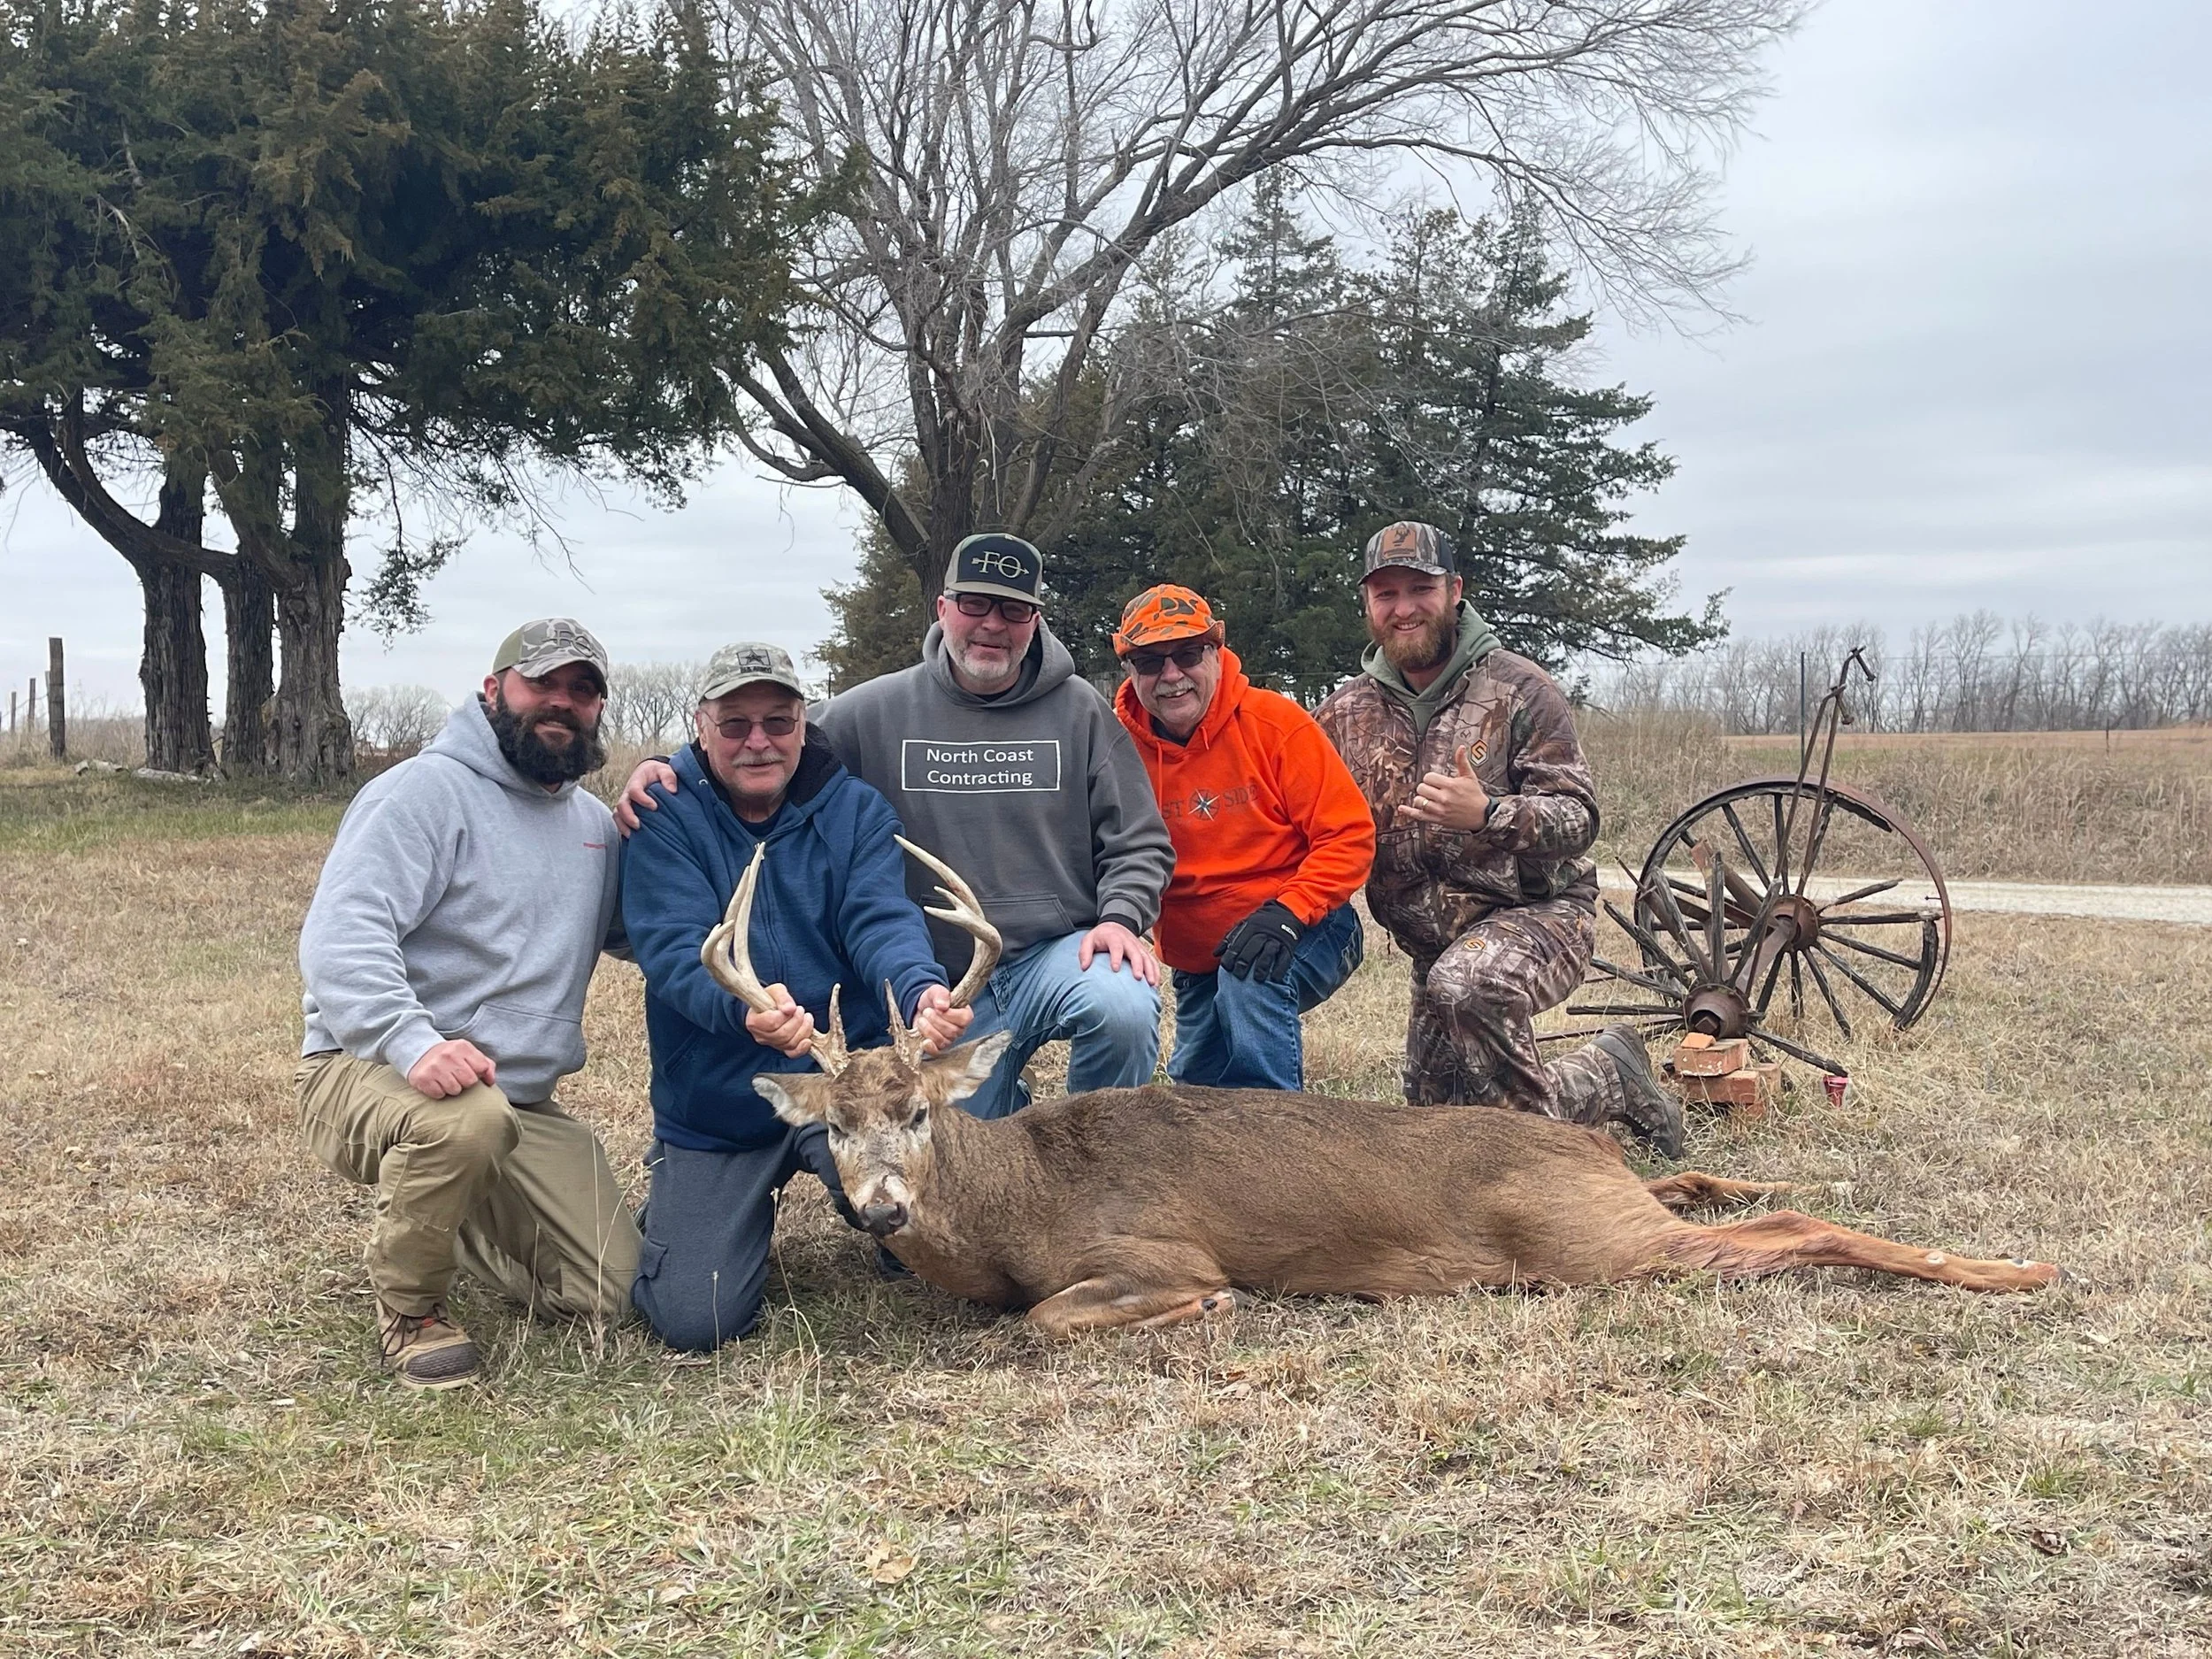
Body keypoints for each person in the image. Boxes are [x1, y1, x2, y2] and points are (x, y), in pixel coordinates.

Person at [618, 534, 1173, 1120]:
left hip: (1054, 960)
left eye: (1013, 609)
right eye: (975, 604)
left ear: (1034, 620)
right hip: (937, 991)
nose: (992, 624)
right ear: (943, 608)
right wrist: (672, 768)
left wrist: (1119, 918)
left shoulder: (1081, 711)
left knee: (1124, 1002)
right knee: (964, 1171)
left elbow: (1140, 840)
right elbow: (767, 741)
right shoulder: (874, 709)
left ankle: (1089, 1153)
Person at [296, 619, 641, 1390]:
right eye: (540, 683)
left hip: (513, 1100)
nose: (561, 703)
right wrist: (414, 1041)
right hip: (366, 1067)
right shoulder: (422, 792)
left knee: (612, 1292)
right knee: (468, 1120)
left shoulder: (594, 826)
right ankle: (410, 1309)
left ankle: (453, 1214)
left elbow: (646, 936)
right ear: (494, 691)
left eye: (581, 690)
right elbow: (339, 937)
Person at [618, 641, 970, 1349]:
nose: (758, 742)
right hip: (716, 1103)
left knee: (954, 1256)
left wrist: (920, 988)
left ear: (804, 723)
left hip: (844, 1086)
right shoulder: (666, 812)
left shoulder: (855, 811)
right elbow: (673, 947)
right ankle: (683, 1209)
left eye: (778, 722)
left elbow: (881, 918)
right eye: (735, 724)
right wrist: (739, 1009)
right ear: (701, 725)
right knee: (696, 1319)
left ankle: (889, 1226)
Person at [1313, 523, 1686, 1155]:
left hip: (1541, 916)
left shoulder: (1519, 688)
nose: (1403, 608)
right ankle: (1609, 1074)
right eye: (1386, 593)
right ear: (1367, 604)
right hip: (1434, 950)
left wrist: (1488, 812)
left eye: (1420, 588)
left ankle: (1548, 1173)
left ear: (1455, 590)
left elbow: (1578, 818)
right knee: (1439, 1136)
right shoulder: (1343, 715)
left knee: (1471, 992)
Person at [1109, 584, 1374, 1090]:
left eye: (1187, 654)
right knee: (1196, 1091)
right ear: (1128, 667)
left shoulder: (1275, 724)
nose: (1171, 676)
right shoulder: (1114, 749)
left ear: (1216, 650)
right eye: (1149, 662)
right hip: (1198, 961)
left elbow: (1350, 835)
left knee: (1250, 994)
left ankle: (1279, 1142)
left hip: (1306, 926)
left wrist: (1289, 913)